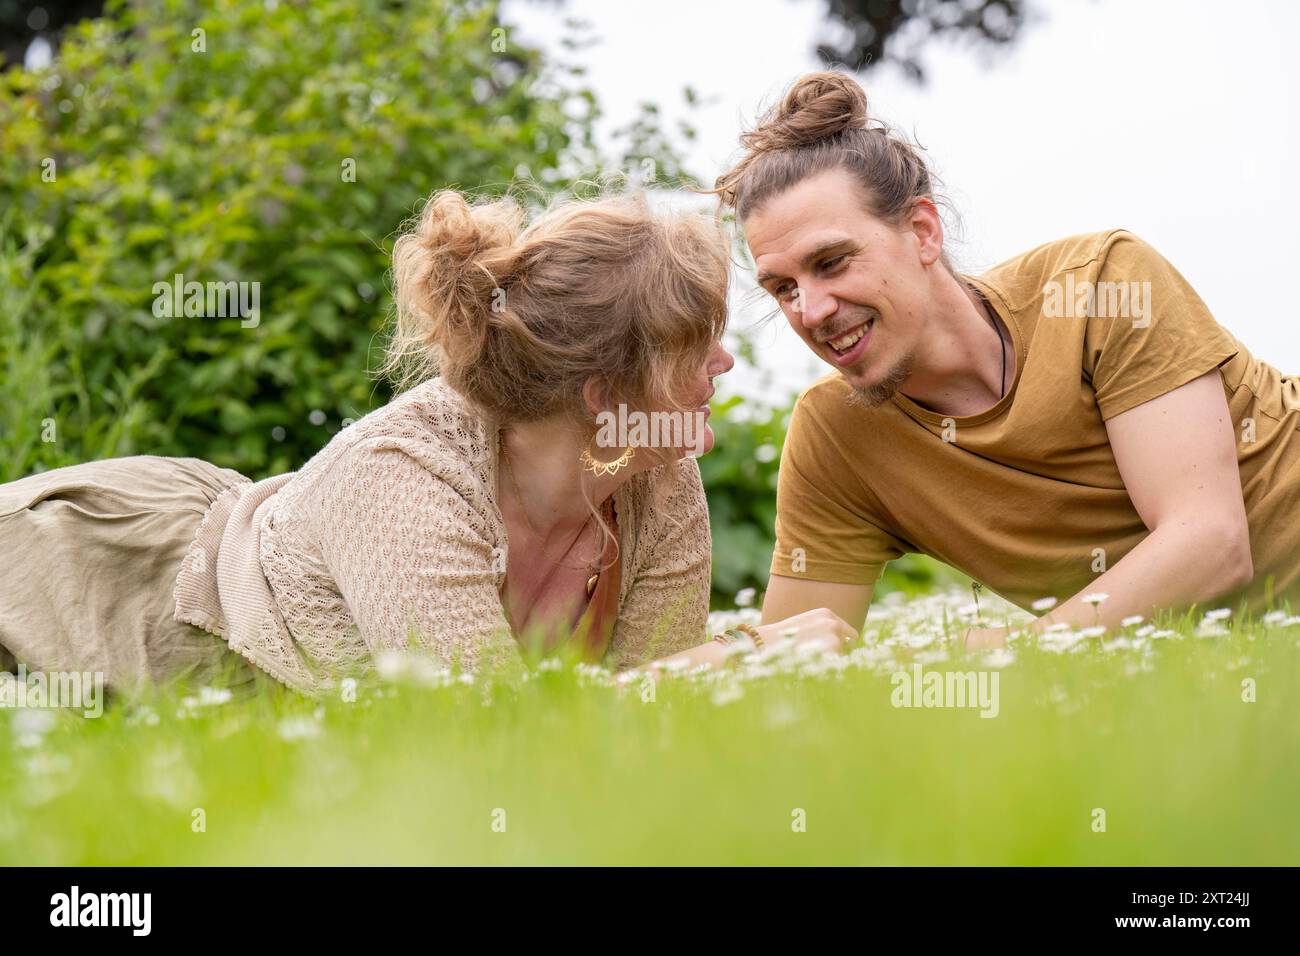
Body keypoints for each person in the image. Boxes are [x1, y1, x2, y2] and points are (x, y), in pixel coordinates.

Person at [0, 188, 855, 698]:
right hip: (107, 578)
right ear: (605, 391)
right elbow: (488, 742)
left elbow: (631, 739)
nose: (725, 360)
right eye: (693, 346)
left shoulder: (659, 476)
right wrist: (749, 657)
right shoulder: (399, 479)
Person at [711, 71, 1300, 648]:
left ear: (922, 231)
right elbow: (791, 653)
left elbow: (1211, 545)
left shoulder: (1100, 284)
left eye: (833, 262)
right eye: (782, 288)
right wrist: (665, 677)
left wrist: (1015, 656)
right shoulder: (836, 436)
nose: (810, 311)